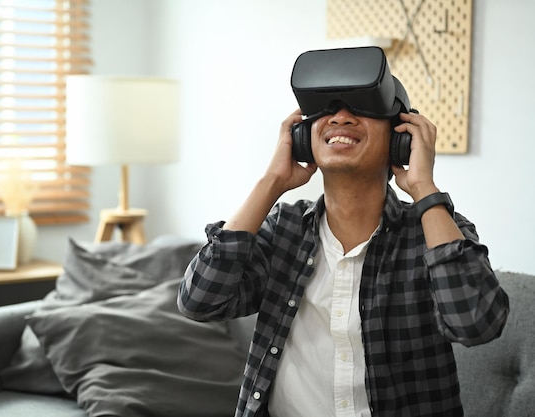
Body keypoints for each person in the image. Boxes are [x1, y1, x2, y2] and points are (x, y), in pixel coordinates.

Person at [177, 48, 509, 417]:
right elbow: (199, 301)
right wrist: (271, 182)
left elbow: (477, 323)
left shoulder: (435, 232)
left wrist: (424, 189)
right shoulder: (284, 230)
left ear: (402, 139)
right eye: (326, 109)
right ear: (303, 136)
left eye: (362, 107)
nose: (340, 117)